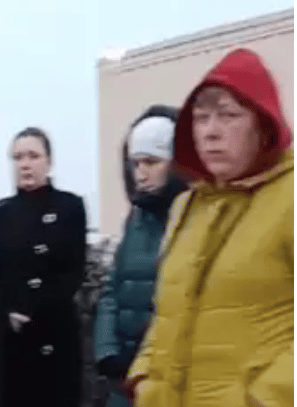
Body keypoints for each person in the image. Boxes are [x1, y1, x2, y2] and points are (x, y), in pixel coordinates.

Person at [127, 48, 293, 407]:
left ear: (264, 125)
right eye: (201, 118)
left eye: (229, 115)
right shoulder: (186, 206)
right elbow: (166, 312)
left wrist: (268, 397)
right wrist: (144, 378)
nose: (211, 132)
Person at [0, 127, 87, 407]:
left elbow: (73, 271)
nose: (24, 164)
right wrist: (5, 314)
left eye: (33, 156)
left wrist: (33, 310)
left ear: (48, 162)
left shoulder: (70, 207)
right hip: (13, 345)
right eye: (17, 157)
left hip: (56, 338)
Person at [93, 105, 188, 406]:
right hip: (123, 379)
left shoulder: (195, 218)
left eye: (151, 162)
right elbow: (113, 288)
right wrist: (107, 352)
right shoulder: (135, 219)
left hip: (166, 379)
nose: (140, 174)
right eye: (135, 163)